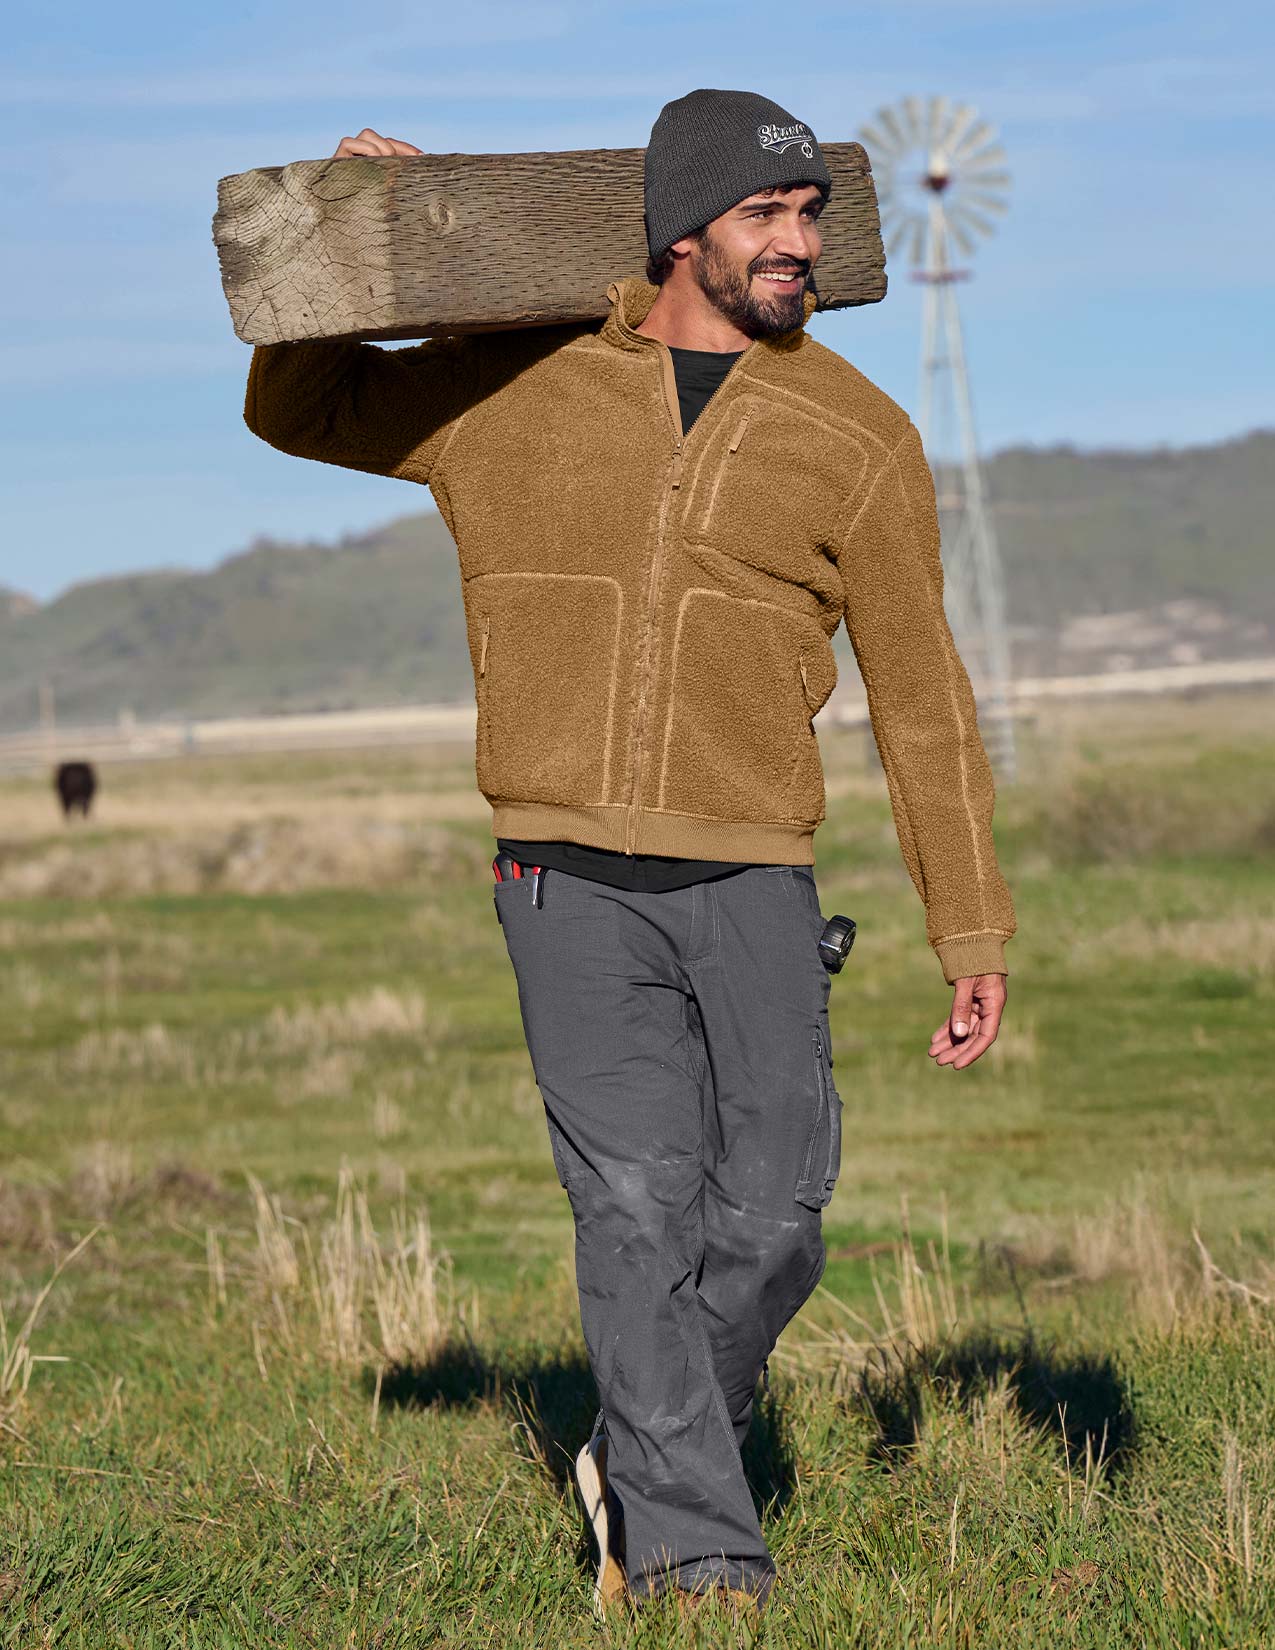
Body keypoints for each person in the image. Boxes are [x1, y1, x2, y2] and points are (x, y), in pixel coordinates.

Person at [243, 87, 1016, 1620]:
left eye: (811, 215)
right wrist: (347, 225)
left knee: (775, 1215)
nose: (799, 242)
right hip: (561, 873)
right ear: (681, 233)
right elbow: (298, 407)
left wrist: (971, 926)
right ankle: (694, 1550)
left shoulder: (859, 433)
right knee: (639, 1209)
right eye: (765, 217)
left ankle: (637, 1451)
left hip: (752, 868)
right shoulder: (507, 387)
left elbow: (923, 697)